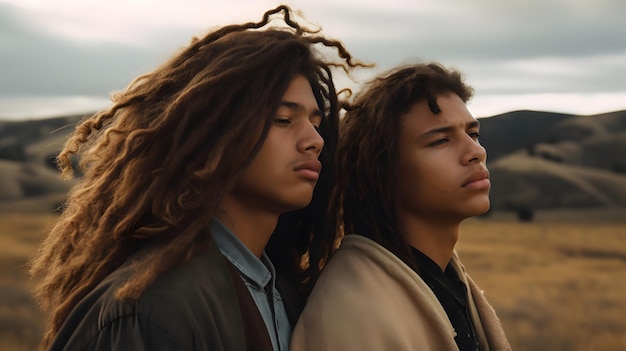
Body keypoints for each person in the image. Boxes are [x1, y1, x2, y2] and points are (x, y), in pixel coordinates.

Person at [29, 5, 364, 351]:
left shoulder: (287, 296)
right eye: (283, 119)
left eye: (315, 122)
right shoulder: (153, 309)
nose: (315, 140)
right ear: (214, 133)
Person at [291, 63, 511, 350]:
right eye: (441, 140)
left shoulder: (447, 280)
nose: (476, 152)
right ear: (382, 171)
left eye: (473, 134)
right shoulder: (354, 310)